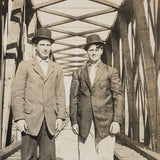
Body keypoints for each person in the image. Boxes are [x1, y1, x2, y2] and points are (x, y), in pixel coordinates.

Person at [12, 27, 66, 160]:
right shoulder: (25, 66)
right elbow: (17, 93)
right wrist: (19, 118)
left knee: (48, 157)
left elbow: (60, 94)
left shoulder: (57, 68)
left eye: (48, 45)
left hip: (49, 120)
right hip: (29, 120)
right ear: (35, 46)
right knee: (28, 157)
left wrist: (60, 117)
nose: (45, 48)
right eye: (42, 44)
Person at [69, 34, 124, 160]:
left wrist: (116, 120)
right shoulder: (78, 72)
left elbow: (118, 96)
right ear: (87, 51)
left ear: (101, 51)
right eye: (91, 50)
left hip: (106, 122)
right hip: (84, 123)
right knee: (86, 156)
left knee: (105, 156)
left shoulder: (111, 71)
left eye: (96, 49)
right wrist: (74, 121)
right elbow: (73, 98)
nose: (93, 53)